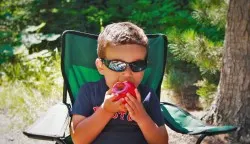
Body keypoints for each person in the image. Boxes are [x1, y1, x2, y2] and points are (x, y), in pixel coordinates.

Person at [71, 22, 169, 144]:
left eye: (137, 65)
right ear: (101, 66)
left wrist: (142, 117)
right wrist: (105, 111)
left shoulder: (147, 95)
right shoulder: (89, 92)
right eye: (117, 64)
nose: (127, 73)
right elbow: (78, 140)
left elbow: (162, 142)